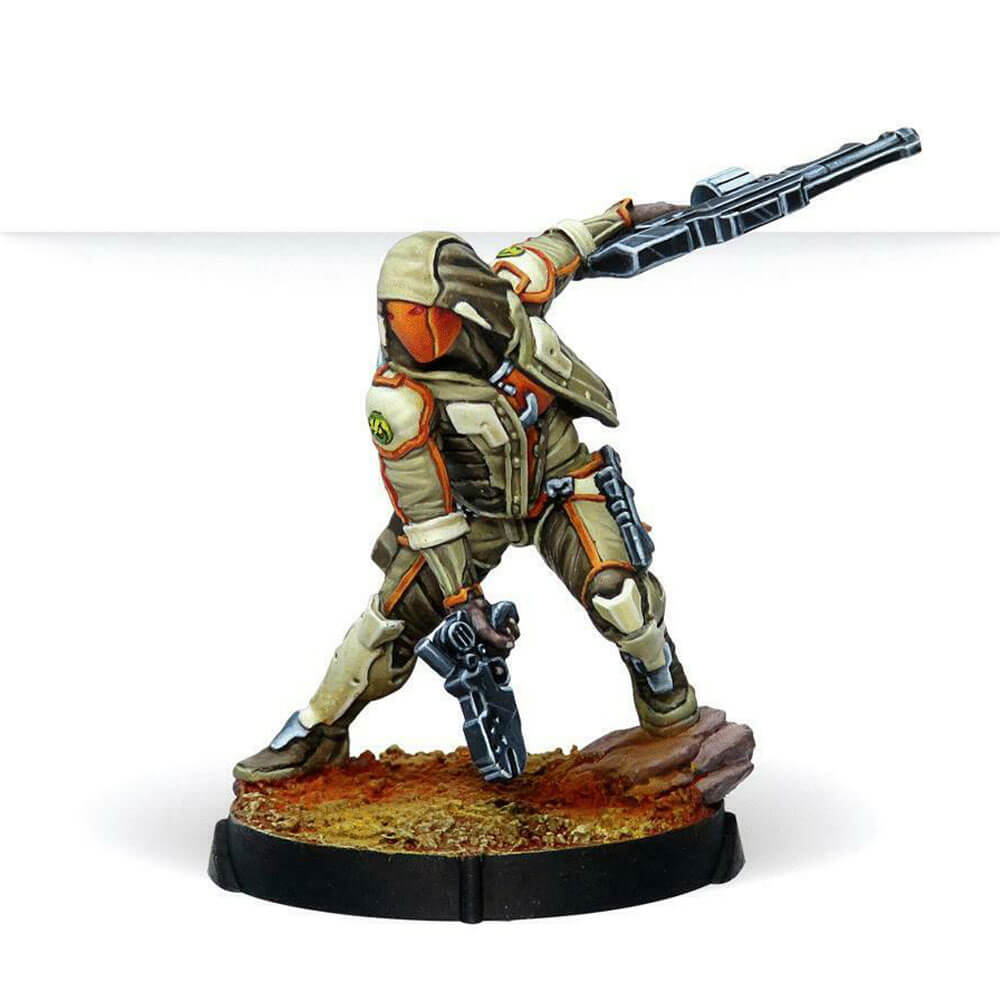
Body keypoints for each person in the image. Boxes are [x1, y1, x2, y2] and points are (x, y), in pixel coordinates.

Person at [235, 199, 699, 783]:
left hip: (561, 486)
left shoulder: (514, 295)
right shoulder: (399, 398)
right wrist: (463, 598)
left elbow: (567, 241)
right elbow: (427, 511)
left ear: (462, 300)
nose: (406, 331)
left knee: (618, 595)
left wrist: (628, 216)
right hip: (471, 515)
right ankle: (315, 729)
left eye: (418, 314)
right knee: (387, 623)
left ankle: (660, 680)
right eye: (395, 315)